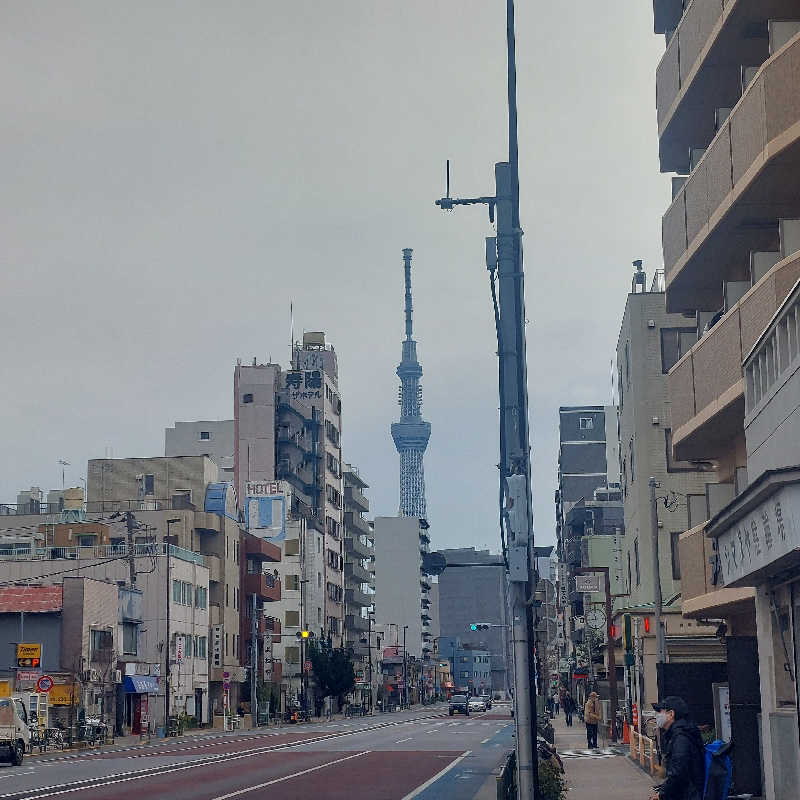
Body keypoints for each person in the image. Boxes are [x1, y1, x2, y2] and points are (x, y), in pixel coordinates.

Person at [649, 696, 705, 800]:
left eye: (660, 711)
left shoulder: (680, 738)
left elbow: (678, 773)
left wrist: (662, 794)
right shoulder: (682, 733)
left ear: (671, 714)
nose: (657, 716)